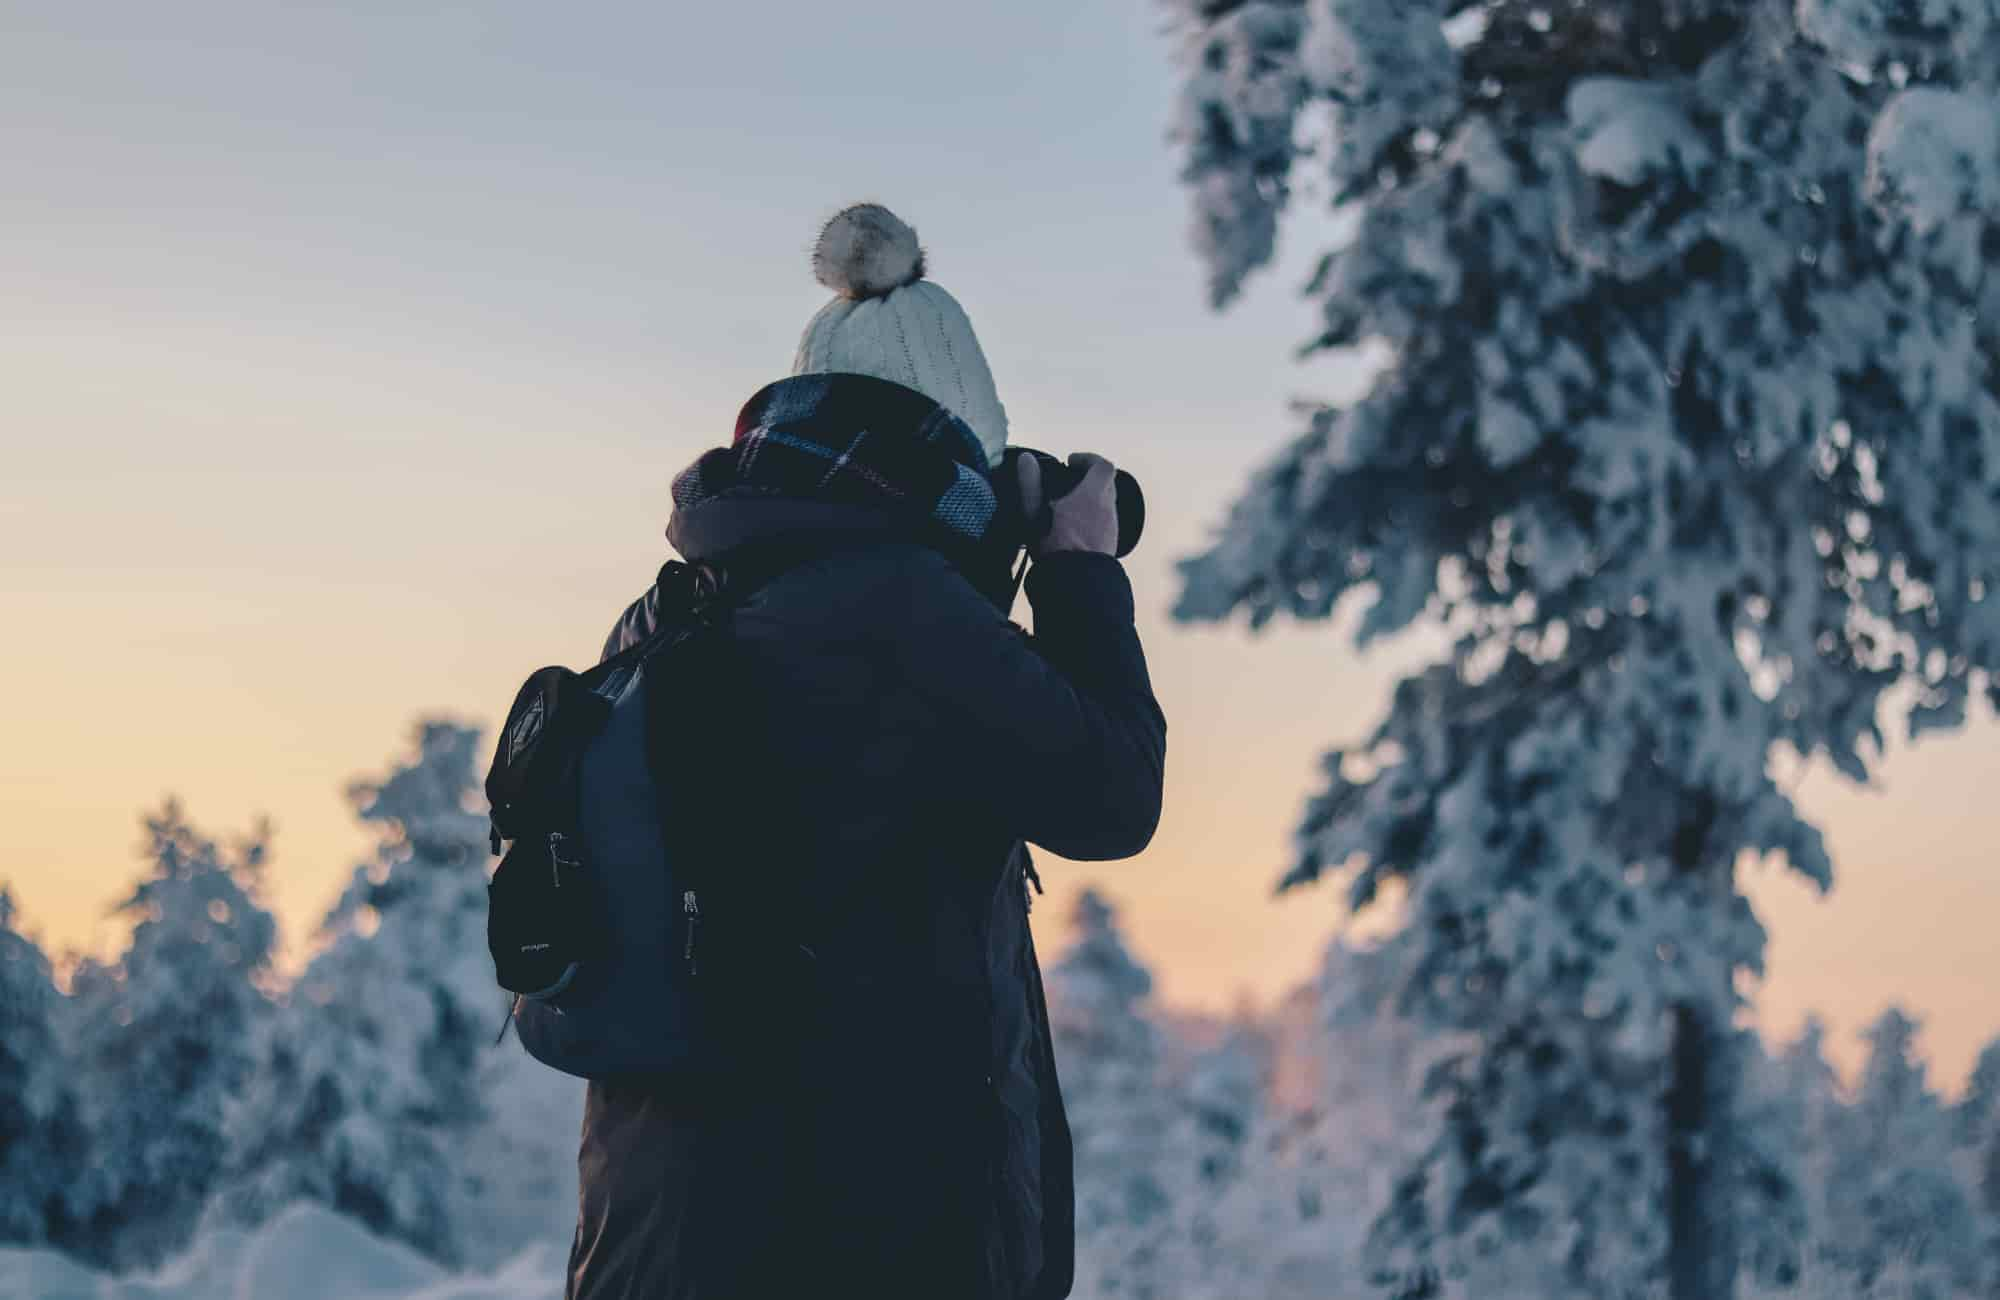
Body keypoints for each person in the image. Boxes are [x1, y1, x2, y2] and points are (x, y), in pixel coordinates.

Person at [565, 204, 1167, 1300]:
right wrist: (1075, 565)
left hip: (654, 1235)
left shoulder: (669, 608)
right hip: (860, 1235)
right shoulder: (902, 610)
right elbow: (1112, 795)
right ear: (952, 448)